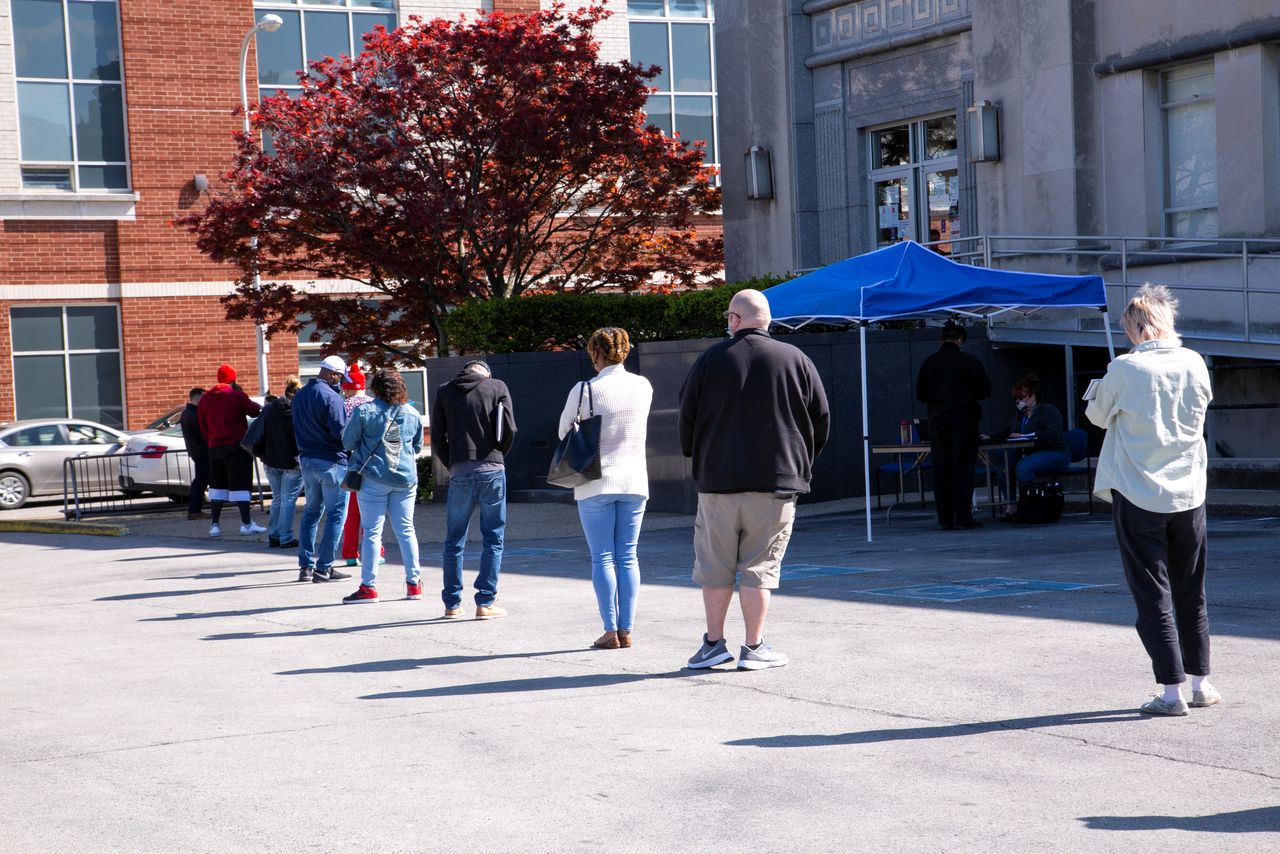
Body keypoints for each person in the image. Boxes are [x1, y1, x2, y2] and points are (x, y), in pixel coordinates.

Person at [678, 289, 829, 671]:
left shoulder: (710, 360)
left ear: (733, 319)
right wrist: (801, 461)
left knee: (715, 567)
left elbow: (687, 417)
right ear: (769, 320)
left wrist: (698, 457)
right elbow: (821, 418)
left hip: (717, 481)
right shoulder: (796, 359)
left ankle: (713, 644)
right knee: (760, 568)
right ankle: (754, 646)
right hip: (776, 480)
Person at [1086, 284, 1218, 716]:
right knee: (1191, 591)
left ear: (1134, 328)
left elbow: (1096, 417)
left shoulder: (1125, 368)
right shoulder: (1195, 362)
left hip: (1138, 489)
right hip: (1188, 490)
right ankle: (1202, 684)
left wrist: (1101, 385)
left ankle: (1170, 693)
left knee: (1152, 593)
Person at [557, 328, 653, 650]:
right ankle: (627, 629)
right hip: (635, 479)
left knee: (603, 558)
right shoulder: (643, 386)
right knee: (628, 555)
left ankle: (610, 630)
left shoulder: (585, 389)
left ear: (596, 353)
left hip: (595, 481)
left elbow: (562, 432)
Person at [431, 359, 517, 619]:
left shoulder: (444, 391)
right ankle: (485, 602)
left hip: (459, 471)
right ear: (486, 373)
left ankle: (452, 604)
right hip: (492, 469)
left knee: (454, 540)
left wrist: (452, 462)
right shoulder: (496, 386)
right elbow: (510, 428)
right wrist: (499, 455)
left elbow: (436, 436)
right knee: (493, 538)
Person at [339, 368, 425, 604]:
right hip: (405, 480)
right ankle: (414, 585)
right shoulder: (412, 412)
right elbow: (416, 447)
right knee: (406, 531)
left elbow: (348, 441)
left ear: (374, 388)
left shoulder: (364, 411)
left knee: (372, 533)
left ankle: (369, 587)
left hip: (373, 478)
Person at [915, 321, 992, 530]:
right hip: (963, 420)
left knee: (942, 469)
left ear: (942, 339)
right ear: (961, 340)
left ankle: (945, 519)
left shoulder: (929, 363)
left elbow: (920, 394)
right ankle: (963, 516)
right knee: (963, 468)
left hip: (937, 422)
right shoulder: (968, 361)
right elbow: (985, 390)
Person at [292, 355, 353, 583]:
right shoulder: (332, 398)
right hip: (331, 462)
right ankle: (324, 566)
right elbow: (341, 434)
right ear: (332, 374)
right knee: (336, 514)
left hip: (307, 460)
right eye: (339, 376)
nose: (340, 381)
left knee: (311, 512)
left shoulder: (299, 395)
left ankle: (306, 567)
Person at [196, 364, 265, 537]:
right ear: (233, 380)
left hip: (215, 448)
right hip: (237, 447)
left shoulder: (205, 399)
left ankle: (215, 526)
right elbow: (255, 411)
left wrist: (211, 440)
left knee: (217, 487)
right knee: (241, 486)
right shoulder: (237, 396)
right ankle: (246, 524)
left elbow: (202, 426)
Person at [998, 373, 1070, 519]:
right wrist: (990, 436)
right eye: (1017, 398)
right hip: (1033, 452)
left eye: (1023, 397)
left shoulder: (1048, 411)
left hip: (1055, 452)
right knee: (1005, 467)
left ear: (1033, 396)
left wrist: (1029, 436)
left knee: (1023, 467)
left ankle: (1032, 505)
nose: (1020, 401)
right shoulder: (1021, 415)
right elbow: (1008, 430)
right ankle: (1011, 505)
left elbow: (1052, 435)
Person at [338, 364, 384, 567]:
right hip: (374, 464)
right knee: (373, 513)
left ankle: (349, 553)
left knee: (352, 512)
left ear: (347, 388)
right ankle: (376, 553)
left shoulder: (341, 405)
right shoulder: (375, 404)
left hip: (350, 464)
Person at [258, 376, 303, 549]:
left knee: (277, 499)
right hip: (292, 462)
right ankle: (285, 537)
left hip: (270, 460)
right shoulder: (297, 413)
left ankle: (274, 535)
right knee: (288, 500)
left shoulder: (270, 409)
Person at [179, 387, 208, 520]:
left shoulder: (187, 413)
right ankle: (195, 510)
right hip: (201, 451)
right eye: (204, 398)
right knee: (201, 480)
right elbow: (202, 434)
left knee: (201, 480)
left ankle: (195, 509)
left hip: (197, 451)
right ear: (197, 399)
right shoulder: (193, 415)